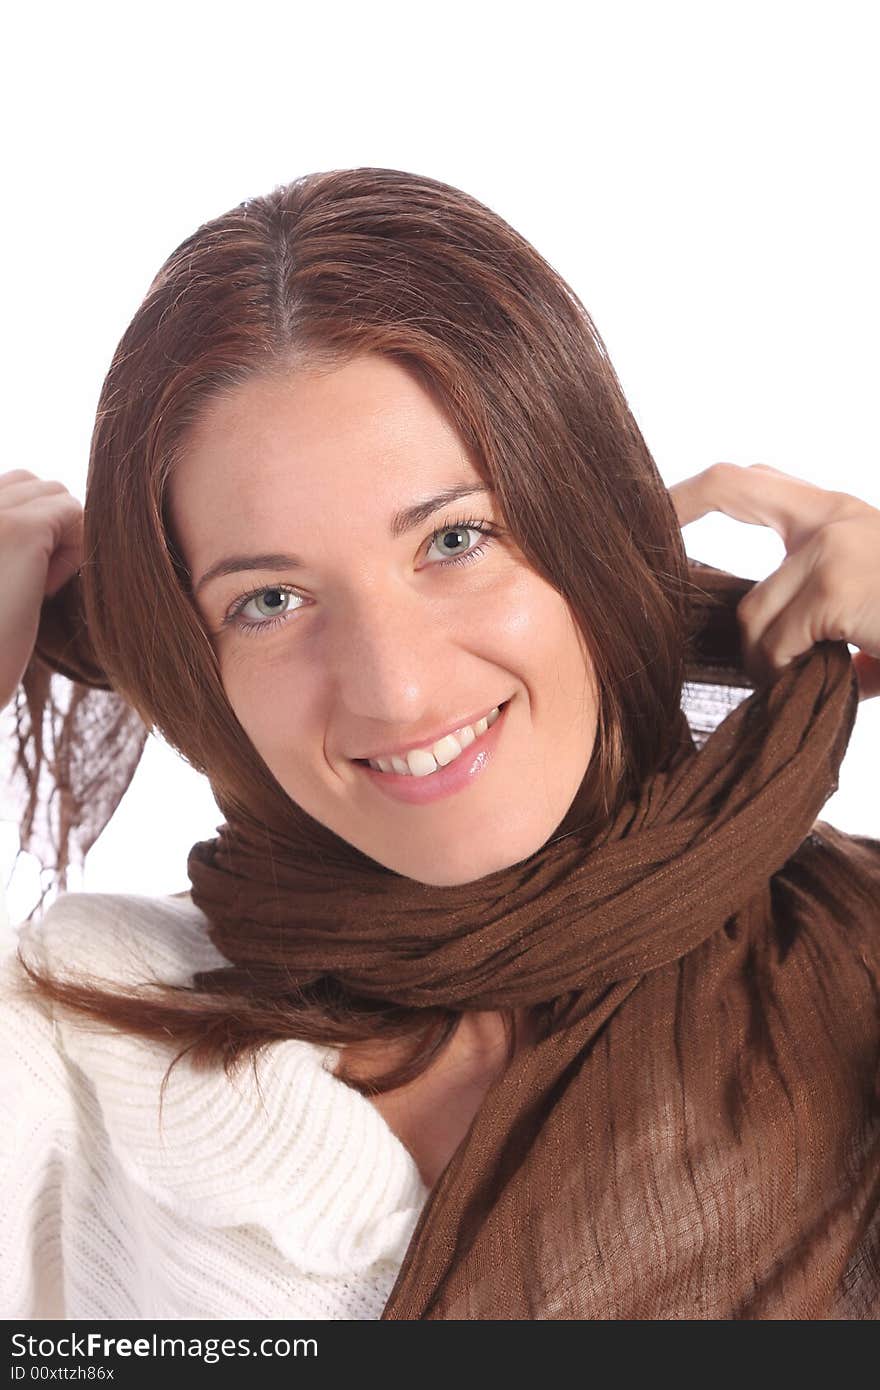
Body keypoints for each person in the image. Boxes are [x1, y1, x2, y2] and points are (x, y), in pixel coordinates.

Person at [1, 167, 879, 1321]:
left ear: (591, 524)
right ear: (191, 658)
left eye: (456, 538)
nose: (395, 684)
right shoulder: (76, 1033)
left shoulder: (850, 962)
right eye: (269, 600)